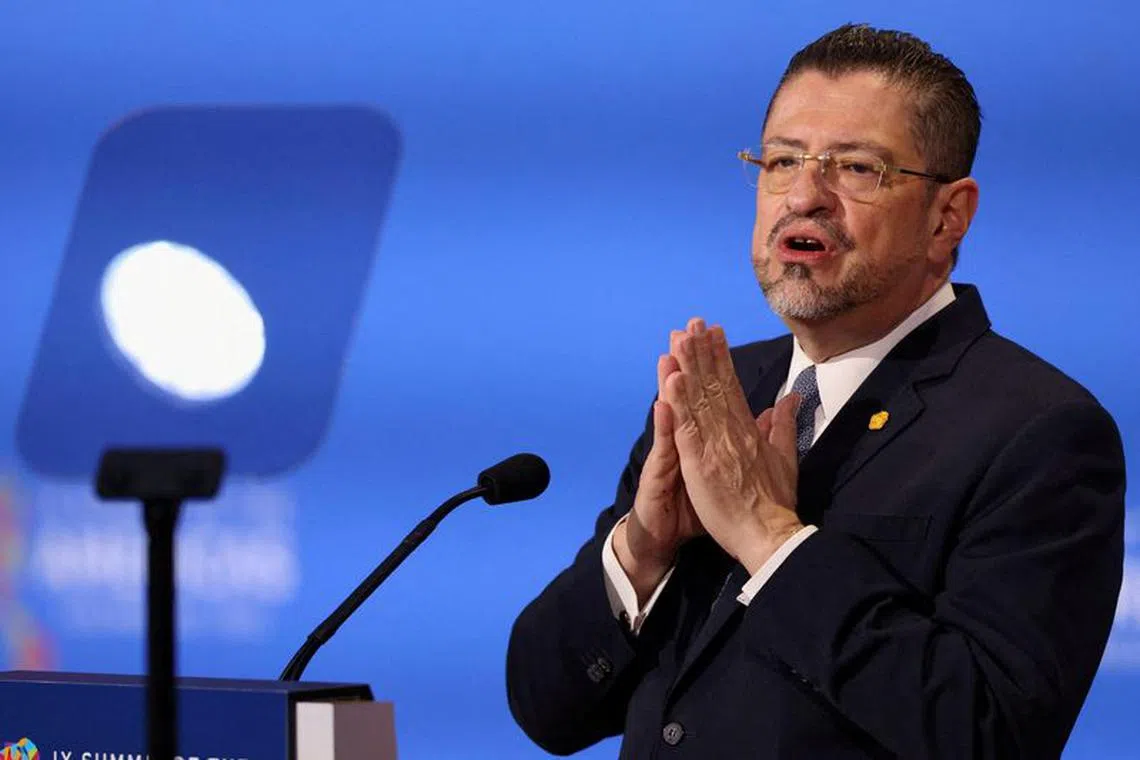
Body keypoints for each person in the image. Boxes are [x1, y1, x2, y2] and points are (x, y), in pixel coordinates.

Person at [504, 22, 1127, 760]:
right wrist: (642, 552)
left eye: (857, 168)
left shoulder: (1038, 431)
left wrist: (771, 541)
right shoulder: (719, 391)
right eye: (781, 160)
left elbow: (988, 733)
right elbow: (549, 711)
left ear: (947, 217)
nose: (804, 194)